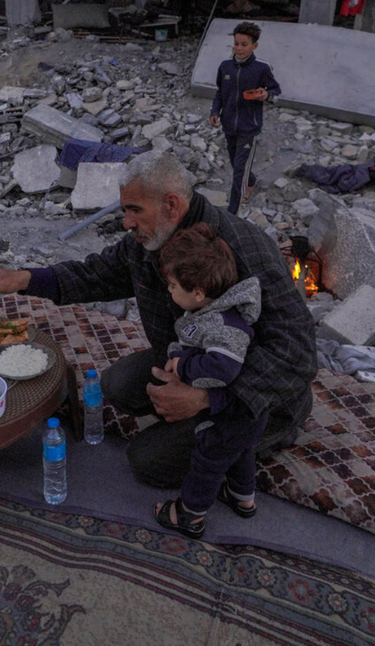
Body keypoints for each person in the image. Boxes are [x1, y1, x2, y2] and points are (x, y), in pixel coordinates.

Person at [0, 151, 317, 489]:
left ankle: (262, 436)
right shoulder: (150, 239)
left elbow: (297, 354)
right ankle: (195, 416)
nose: (126, 222)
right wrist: (23, 279)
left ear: (170, 204)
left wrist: (208, 400)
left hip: (256, 392)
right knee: (116, 386)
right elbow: (97, 274)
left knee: (148, 462)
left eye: (134, 210)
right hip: (196, 358)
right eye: (125, 210)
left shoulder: (245, 250)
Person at [152, 223, 264, 539]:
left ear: (198, 292)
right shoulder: (211, 312)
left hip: (236, 410)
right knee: (241, 451)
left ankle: (189, 514)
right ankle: (244, 498)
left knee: (208, 459)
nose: (169, 290)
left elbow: (222, 368)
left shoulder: (226, 325)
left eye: (173, 285)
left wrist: (182, 364)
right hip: (246, 410)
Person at [210, 21, 281, 215]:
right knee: (235, 162)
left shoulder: (261, 69)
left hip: (249, 128)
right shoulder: (225, 68)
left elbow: (276, 91)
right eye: (237, 43)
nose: (239, 48)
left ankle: (232, 213)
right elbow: (219, 93)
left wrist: (265, 95)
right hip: (229, 125)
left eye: (244, 44)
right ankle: (251, 181)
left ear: (254, 46)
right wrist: (215, 112)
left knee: (238, 172)